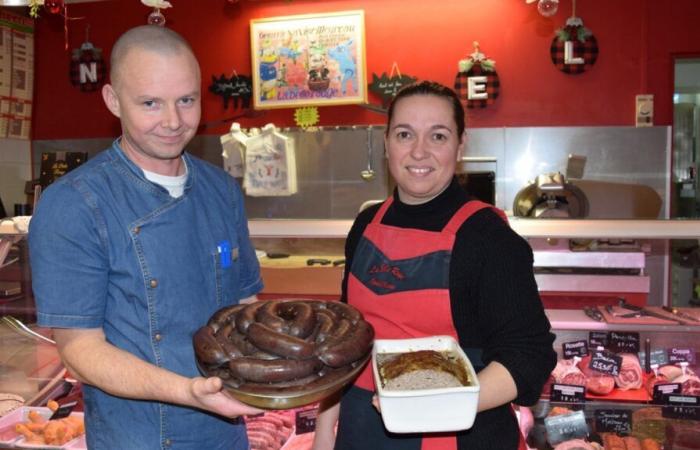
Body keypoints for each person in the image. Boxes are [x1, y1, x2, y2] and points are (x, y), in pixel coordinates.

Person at [28, 25, 264, 450]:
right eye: (151, 103)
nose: (173, 121)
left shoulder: (221, 190)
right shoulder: (74, 204)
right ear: (113, 101)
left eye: (186, 100)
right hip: (140, 436)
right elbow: (80, 351)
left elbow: (245, 308)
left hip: (229, 433)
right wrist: (189, 391)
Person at [312, 81, 556, 450]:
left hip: (458, 436)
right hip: (360, 431)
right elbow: (344, 343)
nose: (419, 152)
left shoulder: (488, 238)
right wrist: (323, 432)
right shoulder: (365, 224)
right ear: (386, 143)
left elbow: (530, 357)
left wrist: (430, 405)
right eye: (405, 134)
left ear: (460, 146)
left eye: (438, 136)